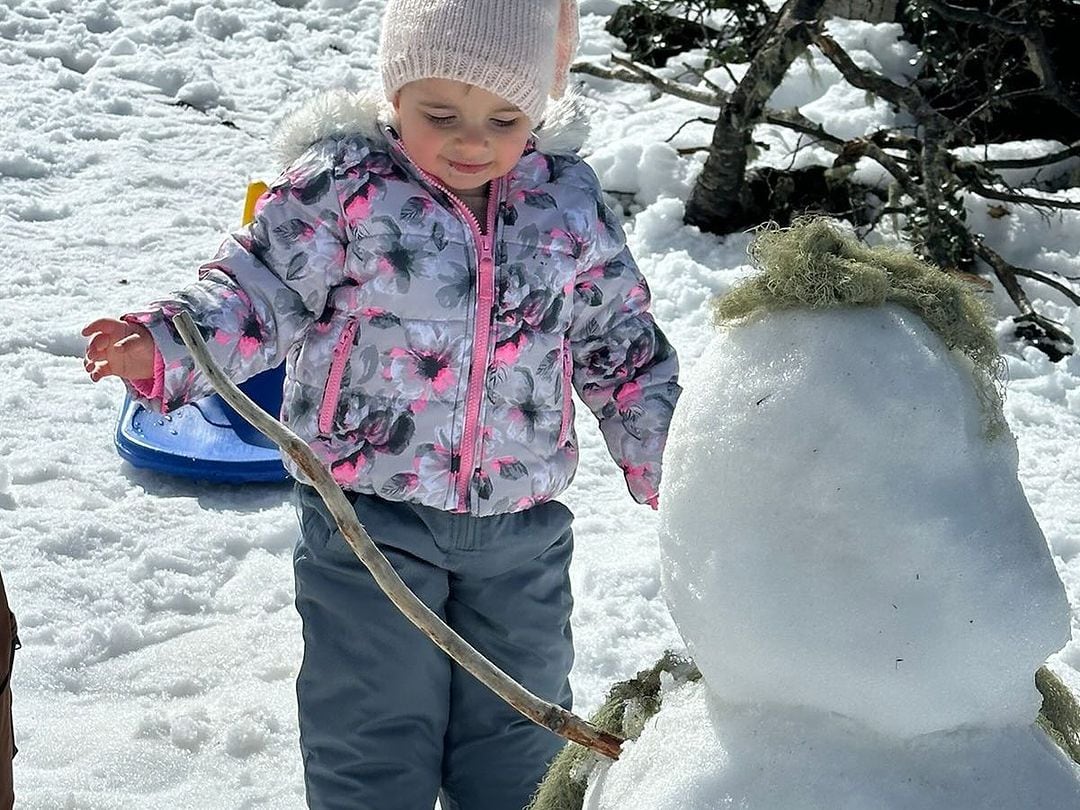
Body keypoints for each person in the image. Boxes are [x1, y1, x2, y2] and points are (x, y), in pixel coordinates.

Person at [82, 1, 680, 807]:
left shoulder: (566, 206)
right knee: (369, 725)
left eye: (506, 117)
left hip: (520, 529)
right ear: (395, 93)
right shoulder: (345, 190)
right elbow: (257, 291)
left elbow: (621, 343)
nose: (473, 140)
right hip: (367, 518)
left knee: (521, 738)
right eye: (442, 114)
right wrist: (166, 342)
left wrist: (673, 460)